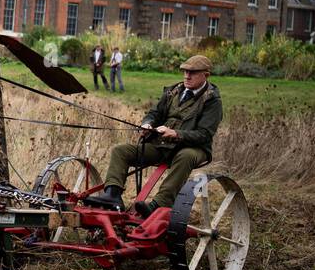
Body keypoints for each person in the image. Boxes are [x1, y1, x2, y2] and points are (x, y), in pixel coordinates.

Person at [84, 54, 222, 216]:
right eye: (185, 71)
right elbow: (154, 114)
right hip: (162, 145)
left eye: (192, 73)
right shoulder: (173, 91)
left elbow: (204, 135)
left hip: (193, 148)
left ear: (206, 75)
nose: (187, 76)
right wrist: (147, 124)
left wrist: (176, 133)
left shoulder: (212, 101)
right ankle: (113, 196)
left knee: (185, 156)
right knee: (120, 151)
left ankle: (158, 205)